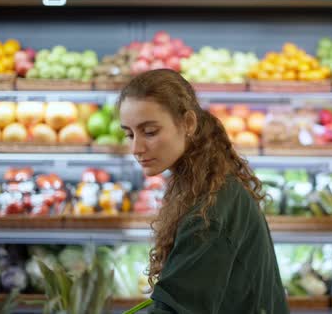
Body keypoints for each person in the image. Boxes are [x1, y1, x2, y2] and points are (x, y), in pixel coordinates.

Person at [118, 69, 289, 314]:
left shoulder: (209, 210)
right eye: (129, 134)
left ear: (188, 123)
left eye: (150, 132)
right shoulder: (204, 181)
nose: (136, 147)